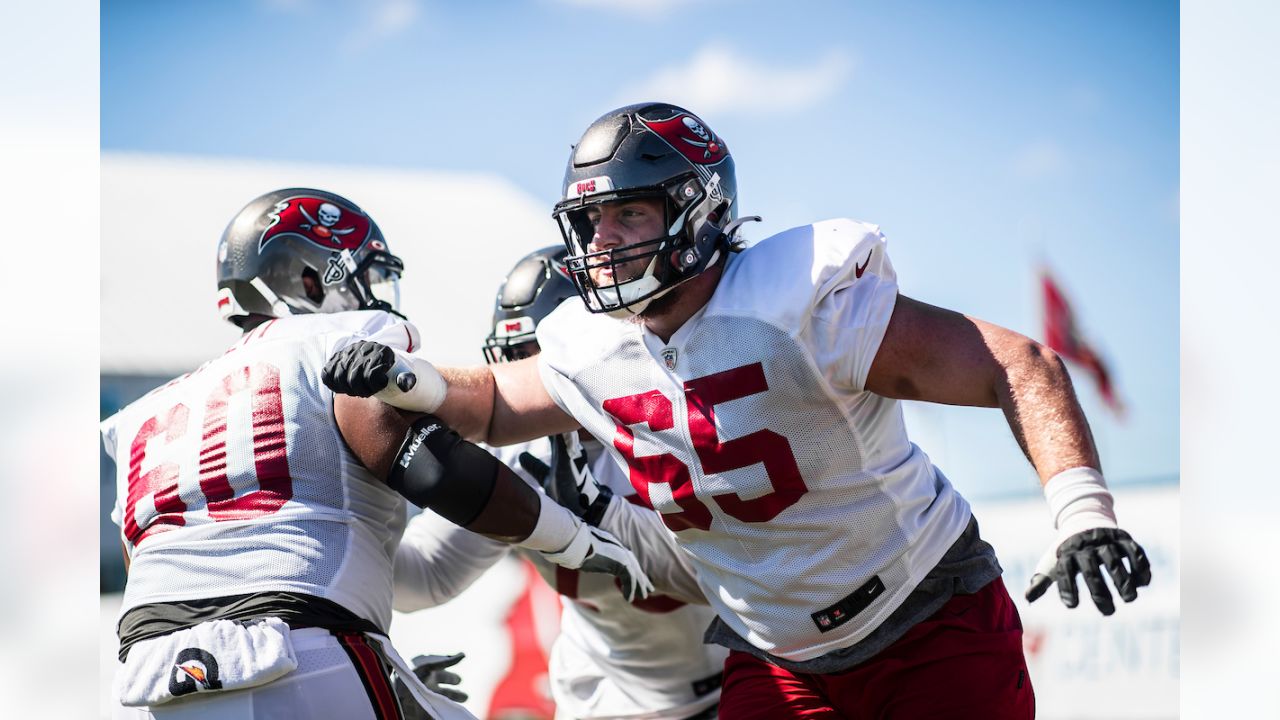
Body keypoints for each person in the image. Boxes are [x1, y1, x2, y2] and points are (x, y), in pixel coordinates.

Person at [324, 102, 1152, 718]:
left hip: (923, 619)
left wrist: (1082, 511)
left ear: (698, 209)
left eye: (628, 213)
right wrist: (410, 381)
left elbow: (1015, 362)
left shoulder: (799, 300)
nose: (603, 240)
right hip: (776, 656)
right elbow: (499, 402)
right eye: (591, 220)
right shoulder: (590, 344)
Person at [102, 188, 651, 720]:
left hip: (157, 673)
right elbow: (438, 471)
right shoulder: (333, 343)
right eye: (370, 276)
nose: (376, 295)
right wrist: (576, 540)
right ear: (312, 280)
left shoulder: (145, 414)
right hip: (304, 641)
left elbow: (147, 562)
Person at [391, 246, 726, 720]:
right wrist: (367, 501)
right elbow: (421, 577)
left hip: (749, 671)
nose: (523, 376)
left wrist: (602, 512)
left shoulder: (678, 421)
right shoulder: (515, 458)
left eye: (539, 355)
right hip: (615, 701)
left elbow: (735, 570)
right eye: (512, 358)